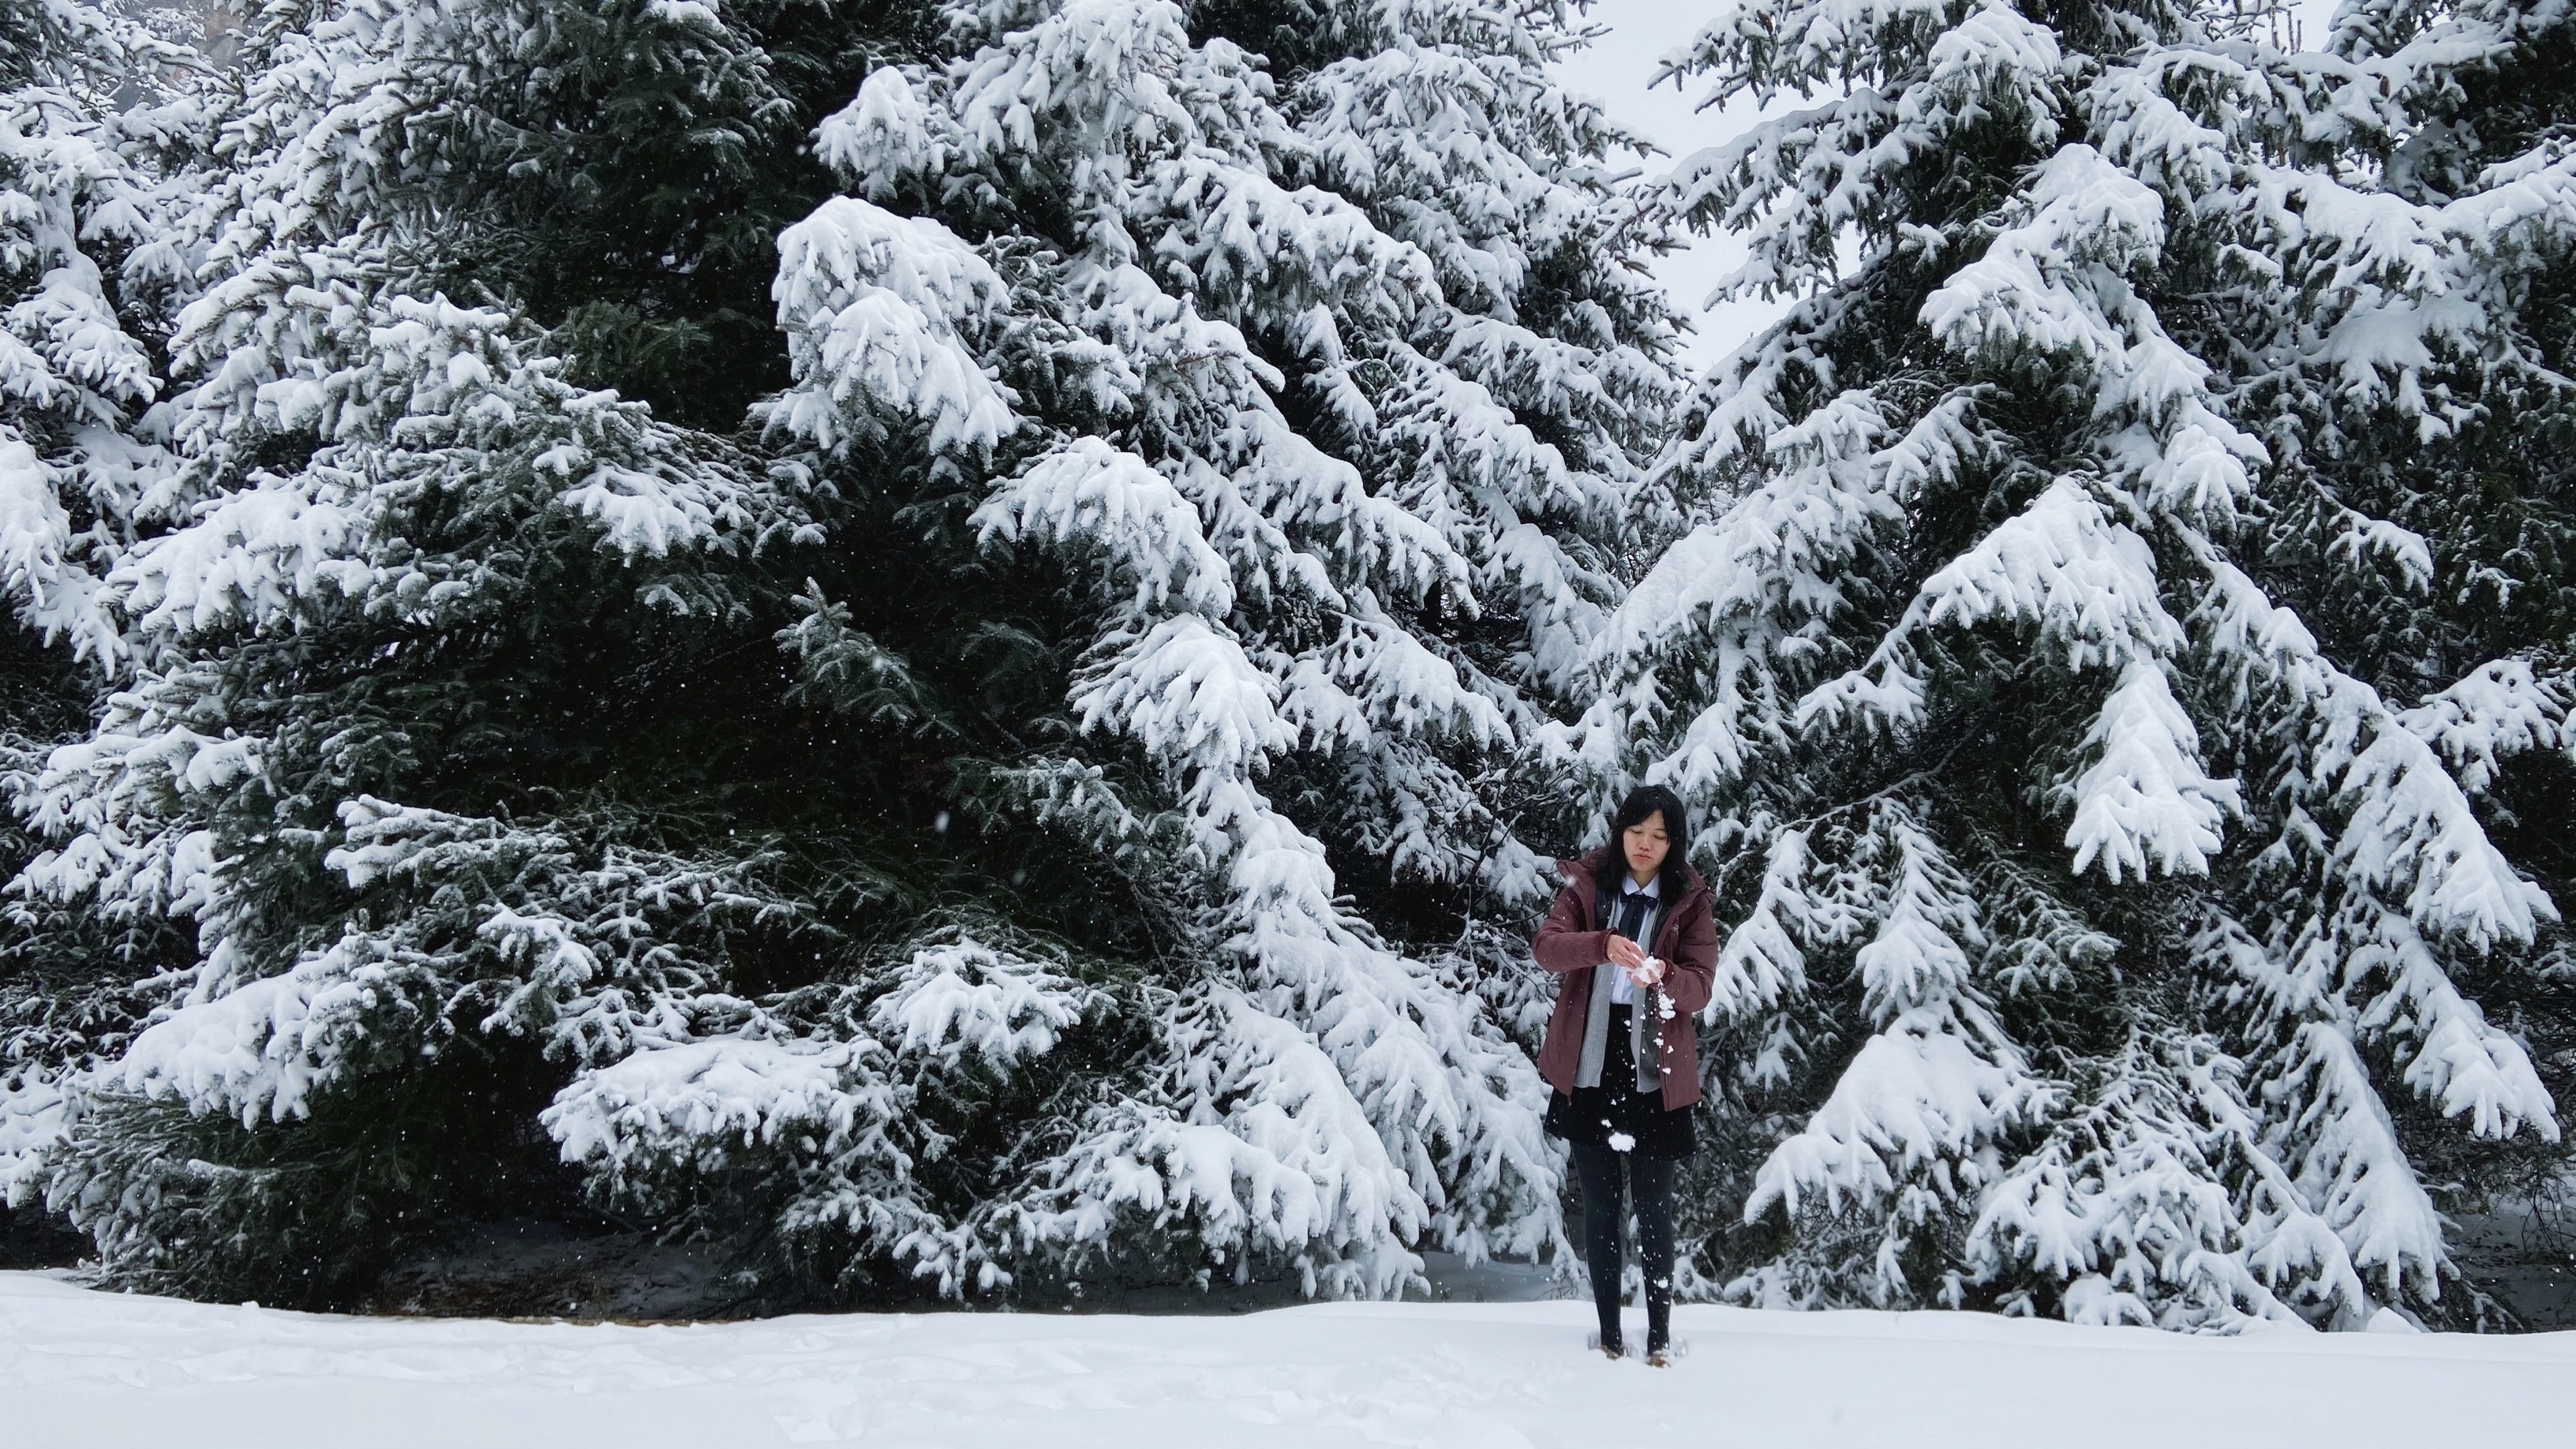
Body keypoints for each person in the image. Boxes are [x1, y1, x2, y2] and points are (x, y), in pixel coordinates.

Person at [1532, 784, 1715, 1365]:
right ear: (1621, 832)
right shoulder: (1590, 884)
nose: (1646, 844)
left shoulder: (1689, 901)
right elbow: (1547, 949)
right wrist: (1601, 945)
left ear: (1673, 844)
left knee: (1655, 1208)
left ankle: (1659, 1339)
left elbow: (1700, 988)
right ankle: (1609, 1336)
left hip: (1655, 1068)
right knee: (1601, 1207)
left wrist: (1664, 976)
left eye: (1660, 836)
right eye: (1638, 831)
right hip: (1590, 1061)